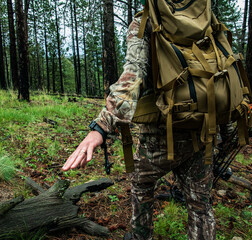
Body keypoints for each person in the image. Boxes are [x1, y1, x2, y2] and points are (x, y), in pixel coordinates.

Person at [62, 10, 218, 240]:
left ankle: (139, 235)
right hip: (203, 130)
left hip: (160, 136)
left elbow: (133, 75)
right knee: (200, 206)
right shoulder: (204, 18)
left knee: (141, 185)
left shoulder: (146, 21)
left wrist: (102, 126)